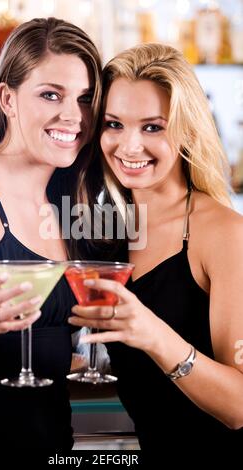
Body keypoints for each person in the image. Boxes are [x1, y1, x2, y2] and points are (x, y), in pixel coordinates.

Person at [68, 43, 243, 454]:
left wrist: (152, 334)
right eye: (114, 124)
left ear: (187, 131)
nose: (129, 147)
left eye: (152, 127)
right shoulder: (106, 231)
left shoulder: (223, 233)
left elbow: (239, 407)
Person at [0, 17, 102, 454]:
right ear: (7, 98)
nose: (73, 115)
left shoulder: (70, 202)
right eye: (50, 94)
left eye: (85, 98)